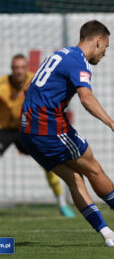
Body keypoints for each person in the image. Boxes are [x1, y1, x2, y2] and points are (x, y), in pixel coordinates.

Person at [19, 20, 114, 247]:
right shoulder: (79, 61)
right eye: (105, 48)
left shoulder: (59, 54)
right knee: (92, 167)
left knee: (75, 179)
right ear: (98, 40)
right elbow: (87, 98)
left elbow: (26, 88)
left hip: (27, 130)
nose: (104, 53)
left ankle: (109, 235)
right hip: (49, 128)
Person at [0, 54, 75, 217]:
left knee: (48, 161)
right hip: (4, 130)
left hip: (26, 128)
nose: (19, 71)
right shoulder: (2, 85)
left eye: (22, 67)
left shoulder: (35, 81)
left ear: (26, 68)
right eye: (16, 68)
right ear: (11, 69)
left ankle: (62, 203)